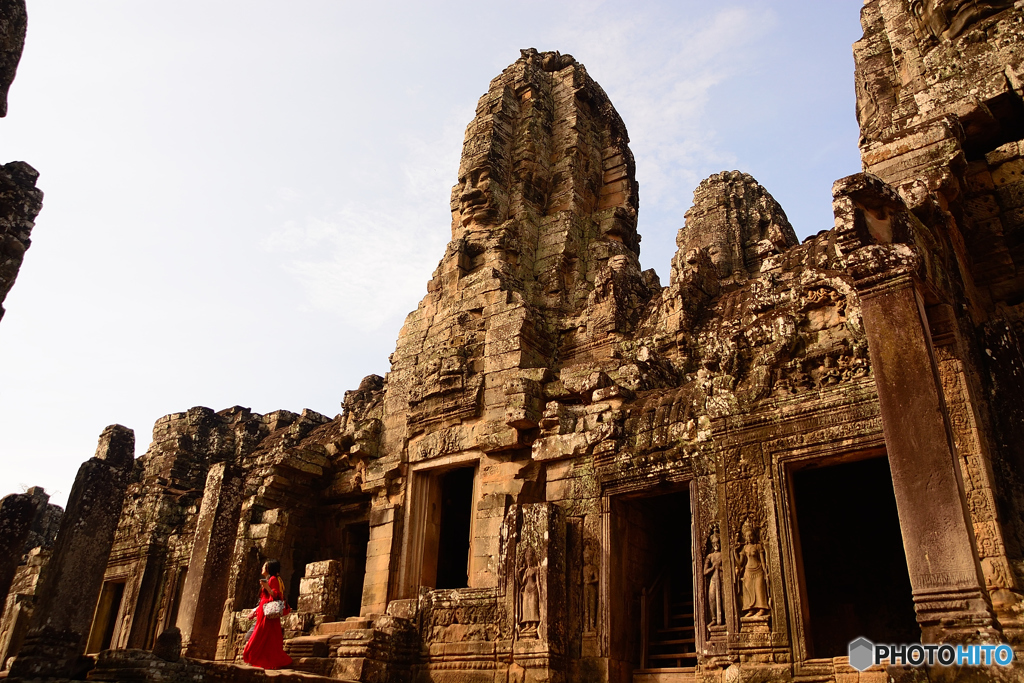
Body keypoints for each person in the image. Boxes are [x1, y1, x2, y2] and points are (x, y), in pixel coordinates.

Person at [242, 559, 293, 670]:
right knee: (265, 637)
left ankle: (253, 658)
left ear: (269, 568)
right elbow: (263, 599)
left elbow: (276, 595)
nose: (262, 567)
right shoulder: (269, 579)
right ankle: (258, 659)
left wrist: (267, 587)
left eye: (264, 566)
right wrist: (255, 611)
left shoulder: (273, 579)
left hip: (267, 614)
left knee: (259, 636)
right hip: (263, 612)